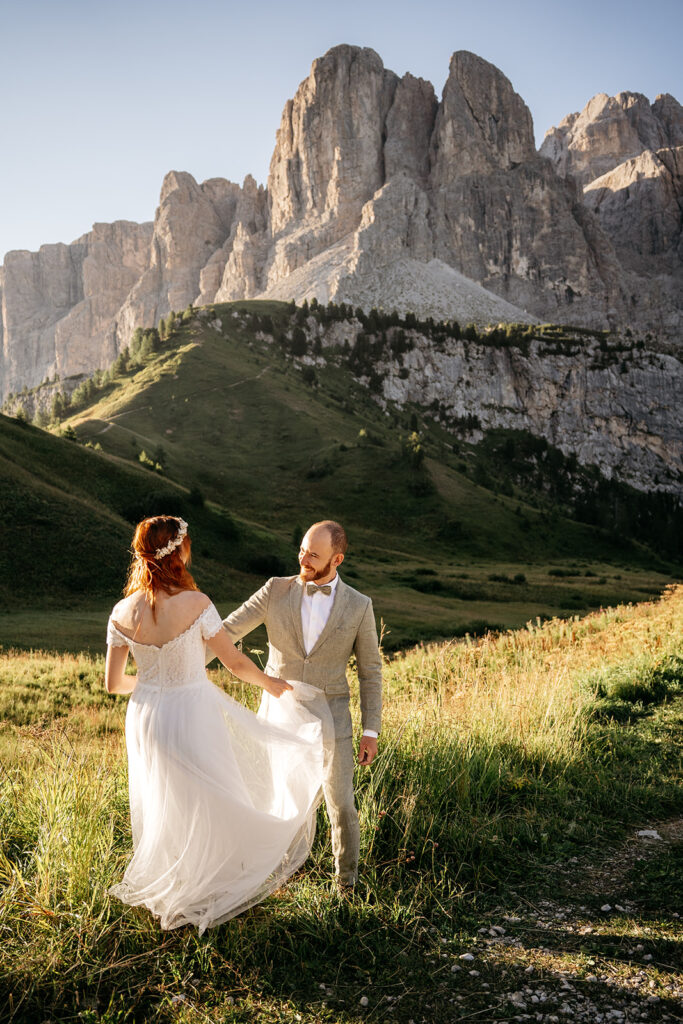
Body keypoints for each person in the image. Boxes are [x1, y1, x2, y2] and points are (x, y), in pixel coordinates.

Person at [105, 514, 330, 933]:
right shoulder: (197, 603)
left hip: (144, 716)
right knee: (212, 796)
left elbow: (113, 682)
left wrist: (154, 684)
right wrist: (272, 683)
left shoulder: (121, 611)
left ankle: (177, 885)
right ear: (177, 551)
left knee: (163, 800)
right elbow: (235, 662)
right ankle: (212, 887)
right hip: (191, 709)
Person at [211, 519, 382, 889]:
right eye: (302, 549)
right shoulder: (274, 589)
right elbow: (226, 632)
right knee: (280, 796)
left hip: (331, 716)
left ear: (337, 559)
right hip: (280, 711)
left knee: (341, 802)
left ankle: (346, 884)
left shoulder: (359, 606)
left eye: (314, 555)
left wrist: (371, 731)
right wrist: (179, 660)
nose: (303, 559)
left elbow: (370, 672)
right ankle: (281, 876)